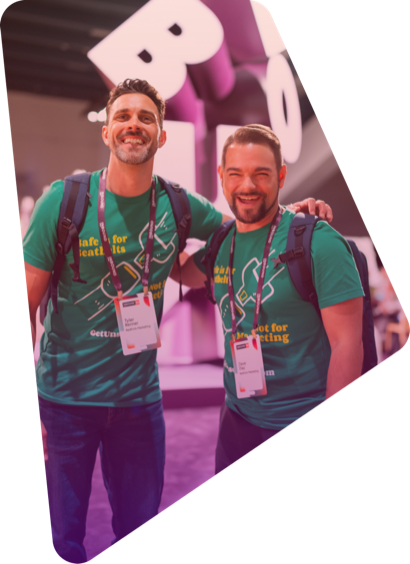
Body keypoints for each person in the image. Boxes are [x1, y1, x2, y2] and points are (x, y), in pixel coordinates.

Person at [23, 79, 332, 564]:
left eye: (146, 117)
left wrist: (293, 214)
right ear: (106, 130)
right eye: (123, 116)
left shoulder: (179, 206)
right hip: (65, 402)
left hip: (139, 404)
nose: (134, 124)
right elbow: (21, 309)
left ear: (161, 135)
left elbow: (247, 229)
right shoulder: (64, 203)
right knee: (63, 539)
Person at [178, 124, 365, 475]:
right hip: (236, 419)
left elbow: (347, 344)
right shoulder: (221, 243)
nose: (247, 185)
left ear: (280, 175)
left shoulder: (319, 242)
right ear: (221, 176)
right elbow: (181, 271)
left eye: (261, 174)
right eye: (236, 173)